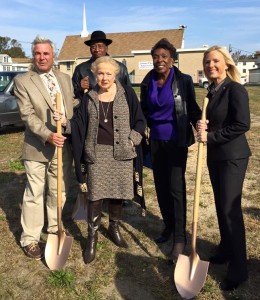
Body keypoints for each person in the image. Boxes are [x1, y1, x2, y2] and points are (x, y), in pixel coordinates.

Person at [54, 56, 146, 264]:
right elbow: (78, 124)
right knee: (95, 197)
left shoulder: (127, 94)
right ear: (95, 74)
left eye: (109, 74)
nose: (104, 78)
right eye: (100, 73)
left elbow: (140, 120)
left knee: (117, 194)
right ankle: (92, 237)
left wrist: (133, 139)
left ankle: (113, 228)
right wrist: (64, 122)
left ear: (116, 75)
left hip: (122, 154)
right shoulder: (89, 97)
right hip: (97, 154)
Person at [140, 38, 202, 264]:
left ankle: (179, 238)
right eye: (156, 57)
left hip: (176, 142)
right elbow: (143, 111)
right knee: (161, 187)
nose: (159, 60)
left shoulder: (183, 80)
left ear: (172, 59)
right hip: (155, 141)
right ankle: (168, 226)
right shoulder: (148, 81)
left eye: (164, 56)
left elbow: (192, 109)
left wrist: (201, 126)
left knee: (176, 189)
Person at [13, 35, 75, 260]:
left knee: (58, 191)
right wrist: (48, 135)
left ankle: (54, 229)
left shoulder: (65, 79)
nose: (41, 57)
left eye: (46, 53)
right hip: (37, 146)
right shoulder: (23, 81)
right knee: (34, 193)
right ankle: (29, 238)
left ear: (54, 55)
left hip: (62, 146)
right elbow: (27, 114)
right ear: (33, 55)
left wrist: (67, 120)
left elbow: (73, 104)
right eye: (38, 53)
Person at [197, 45, 251, 291]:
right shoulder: (212, 90)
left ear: (226, 63)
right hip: (216, 156)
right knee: (220, 205)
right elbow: (216, 122)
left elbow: (242, 124)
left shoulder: (234, 89)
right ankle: (226, 249)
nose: (211, 66)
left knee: (230, 210)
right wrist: (204, 128)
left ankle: (239, 269)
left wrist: (212, 137)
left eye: (215, 61)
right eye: (207, 62)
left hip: (232, 157)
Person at [72, 30, 131, 101]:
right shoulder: (80, 69)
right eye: (93, 47)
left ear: (106, 48)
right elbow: (72, 95)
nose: (97, 49)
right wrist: (80, 89)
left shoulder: (120, 68)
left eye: (100, 46)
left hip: (116, 110)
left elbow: (129, 93)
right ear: (90, 49)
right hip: (90, 110)